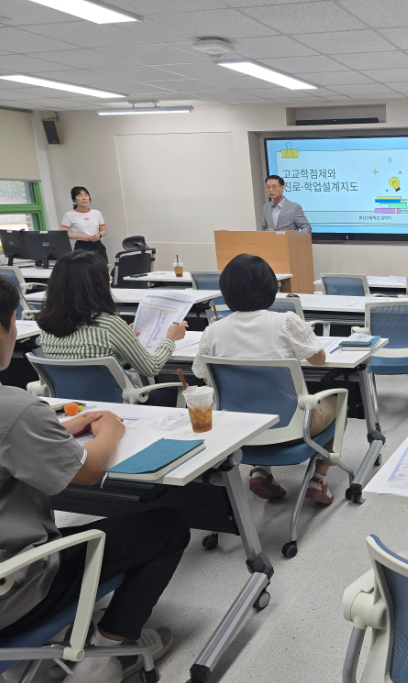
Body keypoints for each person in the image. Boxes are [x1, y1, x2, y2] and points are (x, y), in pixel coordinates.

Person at [0, 277, 189, 683]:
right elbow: (89, 471)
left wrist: (48, 432)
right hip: (11, 590)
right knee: (168, 525)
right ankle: (108, 655)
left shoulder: (20, 411)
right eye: (12, 321)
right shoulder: (12, 409)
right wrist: (111, 432)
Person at [191, 254, 337, 504]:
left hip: (240, 427)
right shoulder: (286, 322)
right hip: (291, 425)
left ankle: (260, 471)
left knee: (255, 398)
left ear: (225, 291)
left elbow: (203, 377)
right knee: (335, 401)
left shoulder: (213, 330)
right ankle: (318, 479)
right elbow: (319, 360)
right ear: (270, 288)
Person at [35, 251, 186, 402]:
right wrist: (170, 339)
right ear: (99, 285)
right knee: (184, 393)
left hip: (70, 408)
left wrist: (124, 339)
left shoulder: (46, 326)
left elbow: (88, 359)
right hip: (114, 408)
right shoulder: (110, 325)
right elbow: (151, 368)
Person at [60, 186, 108, 264]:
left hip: (98, 246)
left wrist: (99, 235)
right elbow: (62, 234)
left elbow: (103, 230)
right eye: (79, 195)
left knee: (103, 272)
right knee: (84, 272)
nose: (84, 198)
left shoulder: (96, 213)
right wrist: (80, 236)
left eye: (86, 195)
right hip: (81, 247)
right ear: (74, 200)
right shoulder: (69, 215)